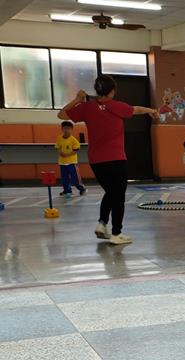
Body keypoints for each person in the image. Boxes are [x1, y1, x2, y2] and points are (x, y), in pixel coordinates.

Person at [58, 74, 157, 246]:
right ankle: (116, 233)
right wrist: (151, 110)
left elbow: (61, 115)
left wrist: (77, 99)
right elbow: (136, 109)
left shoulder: (87, 107)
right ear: (111, 91)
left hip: (96, 161)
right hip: (116, 158)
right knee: (118, 196)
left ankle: (102, 224)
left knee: (111, 193)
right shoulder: (118, 106)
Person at [55, 120, 85, 196]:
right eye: (64, 128)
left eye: (68, 128)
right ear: (62, 129)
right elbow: (57, 147)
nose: (66, 130)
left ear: (71, 130)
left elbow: (75, 150)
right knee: (64, 178)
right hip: (62, 162)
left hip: (72, 162)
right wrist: (60, 152)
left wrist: (67, 154)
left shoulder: (73, 140)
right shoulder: (59, 138)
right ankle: (67, 190)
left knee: (75, 178)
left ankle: (82, 188)